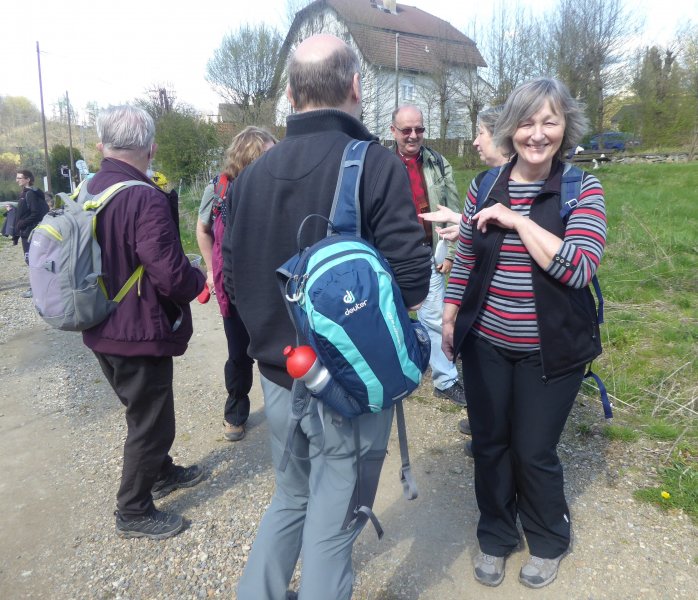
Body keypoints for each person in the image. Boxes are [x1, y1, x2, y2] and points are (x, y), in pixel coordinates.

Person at [222, 34, 431, 600]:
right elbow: (412, 280)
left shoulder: (248, 180)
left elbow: (233, 283)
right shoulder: (376, 167)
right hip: (351, 385)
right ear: (356, 87)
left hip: (280, 377)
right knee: (336, 519)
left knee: (291, 497)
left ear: (290, 94)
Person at [442, 78, 606, 589]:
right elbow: (466, 253)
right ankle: (495, 534)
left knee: (533, 450)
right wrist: (449, 315)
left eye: (550, 121)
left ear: (566, 127)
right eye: (528, 122)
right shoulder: (484, 186)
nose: (538, 134)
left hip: (550, 351)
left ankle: (548, 538)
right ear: (511, 129)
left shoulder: (582, 188)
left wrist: (516, 219)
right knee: (490, 444)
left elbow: (578, 266)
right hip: (486, 342)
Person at [82, 105, 207, 540]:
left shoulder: (91, 187)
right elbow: (170, 275)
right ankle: (133, 510)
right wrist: (199, 278)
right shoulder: (142, 196)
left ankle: (160, 472)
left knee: (141, 411)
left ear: (103, 145)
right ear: (151, 147)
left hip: (100, 323)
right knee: (152, 421)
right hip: (136, 329)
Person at [196, 126, 277, 442]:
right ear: (251, 156)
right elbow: (203, 230)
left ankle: (287, 414)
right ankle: (235, 412)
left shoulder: (276, 185)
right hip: (231, 286)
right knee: (239, 353)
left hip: (272, 285)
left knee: (279, 350)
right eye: (270, 153)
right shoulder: (218, 189)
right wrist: (209, 268)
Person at [389, 104, 466, 406]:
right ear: (392, 130)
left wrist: (451, 251)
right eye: (406, 130)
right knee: (388, 316)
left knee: (434, 317)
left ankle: (445, 379)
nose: (413, 135)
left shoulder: (437, 162)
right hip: (391, 254)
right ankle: (394, 374)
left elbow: (452, 207)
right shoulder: (381, 163)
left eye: (419, 129)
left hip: (428, 251)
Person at [14, 169, 48, 297]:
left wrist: (22, 223)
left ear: (28, 179)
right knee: (31, 260)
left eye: (20, 178)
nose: (17, 180)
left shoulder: (30, 194)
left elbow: (36, 213)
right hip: (26, 232)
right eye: (17, 178)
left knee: (32, 260)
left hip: (30, 232)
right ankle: (38, 287)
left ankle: (36, 289)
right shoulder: (25, 193)